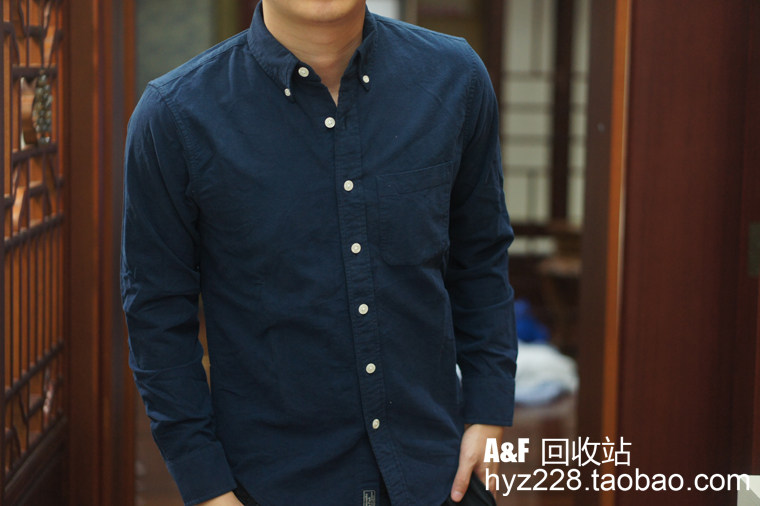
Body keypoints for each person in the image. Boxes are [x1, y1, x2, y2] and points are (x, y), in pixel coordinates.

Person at [121, 0, 517, 505]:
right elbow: (156, 313)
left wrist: (488, 412)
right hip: (271, 484)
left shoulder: (454, 78)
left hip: (437, 474)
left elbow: (481, 256)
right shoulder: (176, 114)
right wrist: (206, 486)